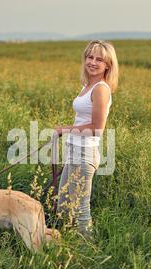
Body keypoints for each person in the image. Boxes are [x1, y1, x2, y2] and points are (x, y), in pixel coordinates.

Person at [53, 40, 119, 239]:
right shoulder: (87, 85)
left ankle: (86, 250)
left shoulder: (100, 88)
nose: (93, 62)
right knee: (63, 204)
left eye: (99, 59)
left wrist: (66, 129)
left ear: (108, 65)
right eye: (90, 57)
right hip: (75, 150)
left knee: (80, 208)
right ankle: (64, 242)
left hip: (85, 154)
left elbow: (97, 129)